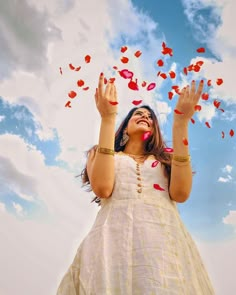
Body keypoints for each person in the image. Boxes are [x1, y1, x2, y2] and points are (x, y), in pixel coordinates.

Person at [56, 73, 215, 294]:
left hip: (164, 241)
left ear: (154, 131)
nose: (145, 116)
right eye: (137, 114)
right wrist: (107, 117)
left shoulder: (165, 162)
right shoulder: (103, 154)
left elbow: (181, 193)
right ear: (124, 127)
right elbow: (103, 188)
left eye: (150, 117)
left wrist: (180, 123)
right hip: (111, 239)